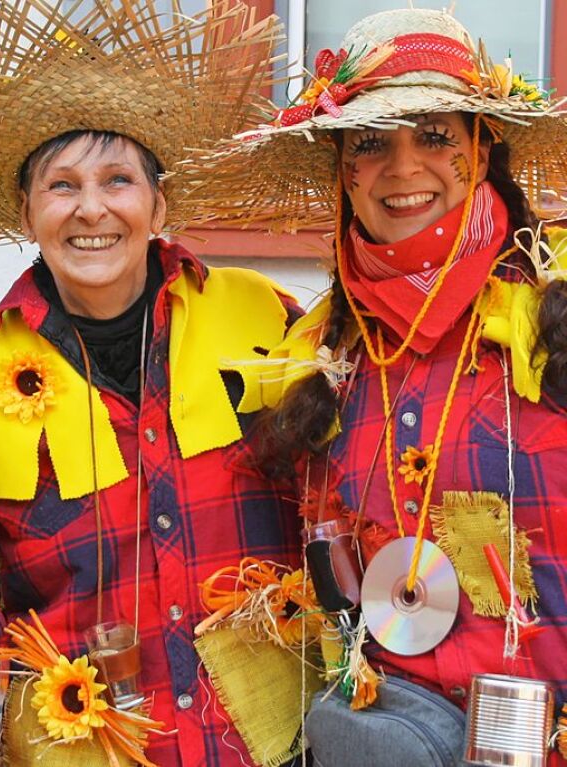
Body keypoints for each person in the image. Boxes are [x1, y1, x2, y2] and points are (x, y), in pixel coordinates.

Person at [0, 1, 307, 764]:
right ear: (28, 212)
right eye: (61, 186)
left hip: (270, 739)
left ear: (158, 203)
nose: (91, 208)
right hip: (81, 744)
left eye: (118, 179)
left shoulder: (263, 319)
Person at [190, 7, 567, 765]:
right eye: (369, 144)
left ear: (481, 147)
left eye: (434, 135)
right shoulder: (317, 356)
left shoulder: (555, 313)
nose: (402, 169)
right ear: (343, 171)